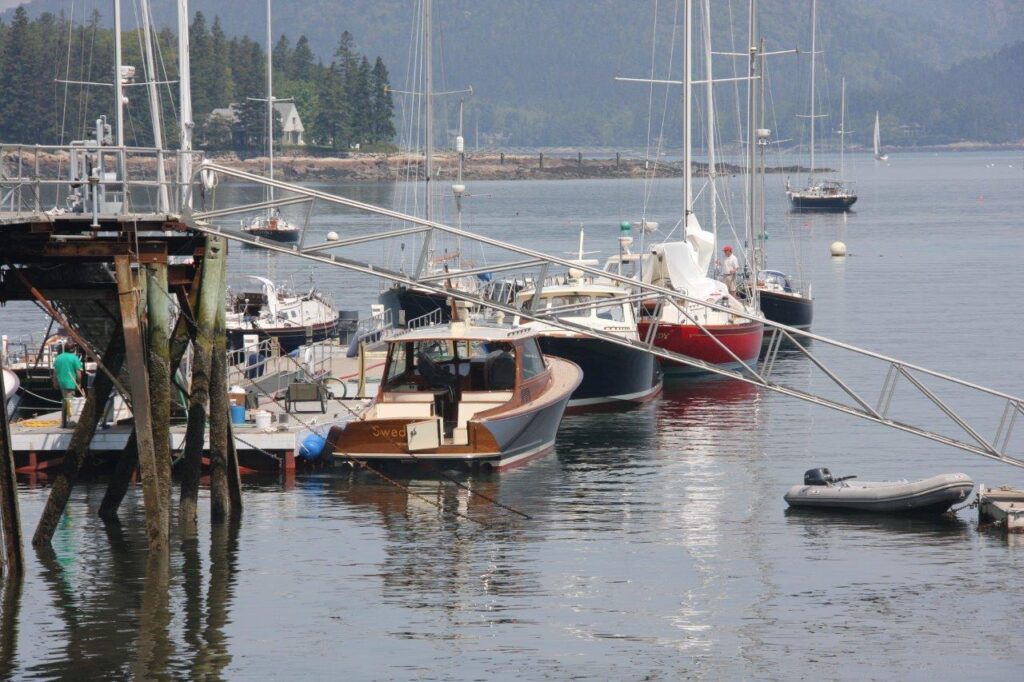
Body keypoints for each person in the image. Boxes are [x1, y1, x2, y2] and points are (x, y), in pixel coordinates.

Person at [53, 343, 84, 428]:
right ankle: (67, 422)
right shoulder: (74, 358)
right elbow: (78, 372)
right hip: (70, 382)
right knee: (69, 402)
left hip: (61, 383)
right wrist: (79, 382)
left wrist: (55, 382)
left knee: (65, 401)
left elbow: (55, 372)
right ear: (73, 350)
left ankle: (64, 422)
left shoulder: (58, 357)